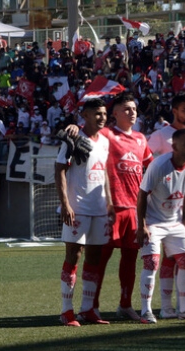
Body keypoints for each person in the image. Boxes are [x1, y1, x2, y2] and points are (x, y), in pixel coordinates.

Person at [66, 93, 154, 320]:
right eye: (126, 109)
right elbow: (88, 129)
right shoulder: (106, 134)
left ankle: (125, 304)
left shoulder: (141, 139)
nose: (132, 112)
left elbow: (150, 169)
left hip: (134, 209)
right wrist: (75, 126)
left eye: (134, 108)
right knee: (99, 257)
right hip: (109, 208)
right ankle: (91, 306)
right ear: (114, 114)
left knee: (130, 259)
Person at [55, 97, 115, 326]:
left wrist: (109, 203)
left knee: (95, 256)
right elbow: (59, 170)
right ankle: (66, 311)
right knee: (73, 255)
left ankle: (88, 309)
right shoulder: (73, 137)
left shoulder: (105, 141)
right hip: (77, 208)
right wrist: (66, 204)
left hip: (99, 209)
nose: (102, 117)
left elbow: (105, 173)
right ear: (85, 115)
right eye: (97, 114)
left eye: (104, 113)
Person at [136, 129, 185, 324]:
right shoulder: (158, 165)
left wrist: (184, 219)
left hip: (174, 221)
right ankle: (146, 311)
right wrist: (142, 225)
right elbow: (142, 195)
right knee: (151, 262)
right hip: (153, 222)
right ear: (174, 147)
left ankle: (184, 308)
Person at [146, 92, 185, 319]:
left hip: (180, 207)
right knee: (165, 259)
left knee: (184, 257)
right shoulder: (161, 135)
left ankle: (182, 307)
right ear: (174, 111)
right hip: (158, 209)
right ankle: (166, 307)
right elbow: (145, 161)